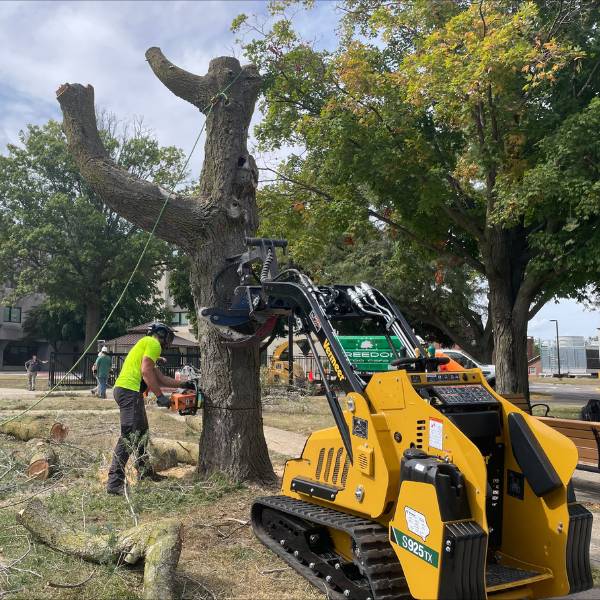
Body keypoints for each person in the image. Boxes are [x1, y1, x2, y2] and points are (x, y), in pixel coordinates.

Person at [106, 323, 185, 496]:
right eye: (169, 339)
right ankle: (114, 482)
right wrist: (160, 396)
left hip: (129, 392)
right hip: (129, 391)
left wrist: (184, 384)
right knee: (129, 435)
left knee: (141, 433)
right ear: (162, 335)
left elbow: (161, 378)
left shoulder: (148, 346)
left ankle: (144, 472)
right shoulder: (153, 343)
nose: (169, 343)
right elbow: (146, 372)